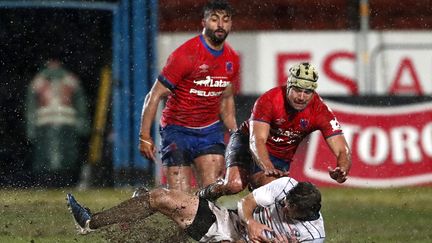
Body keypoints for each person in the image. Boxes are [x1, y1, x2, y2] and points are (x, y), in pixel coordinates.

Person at [198, 62, 352, 201]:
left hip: (279, 156)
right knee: (234, 185)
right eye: (297, 90)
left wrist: (343, 169)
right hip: (246, 143)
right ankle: (206, 194)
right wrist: (266, 166)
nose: (302, 97)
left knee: (272, 195)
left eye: (307, 92)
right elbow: (256, 141)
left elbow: (342, 150)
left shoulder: (320, 110)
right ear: (288, 86)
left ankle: (247, 223)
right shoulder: (269, 100)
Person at [138, 0, 239, 192]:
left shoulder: (232, 59)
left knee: (211, 193)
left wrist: (235, 134)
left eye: (226, 20)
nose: (220, 25)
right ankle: (146, 199)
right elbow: (154, 95)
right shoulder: (186, 55)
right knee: (180, 202)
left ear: (231, 24)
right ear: (204, 22)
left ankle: (204, 220)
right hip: (177, 131)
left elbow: (225, 99)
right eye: (214, 19)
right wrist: (144, 136)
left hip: (209, 131)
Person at [66, 176, 325, 242]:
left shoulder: (313, 236)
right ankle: (90, 222)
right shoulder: (287, 186)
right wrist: (251, 222)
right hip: (231, 223)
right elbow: (247, 203)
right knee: (162, 197)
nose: (283, 207)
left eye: (288, 209)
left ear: (302, 214)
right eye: (284, 202)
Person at [26, 58, 89, 187]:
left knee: (63, 157)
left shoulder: (40, 81)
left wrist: (82, 123)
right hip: (51, 124)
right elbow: (31, 106)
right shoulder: (69, 80)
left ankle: (61, 183)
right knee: (49, 157)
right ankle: (52, 183)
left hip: (60, 124)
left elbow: (80, 103)